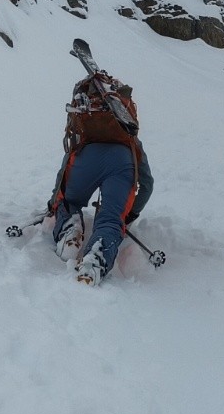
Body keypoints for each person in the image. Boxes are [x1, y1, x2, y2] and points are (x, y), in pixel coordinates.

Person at [48, 70, 153, 285]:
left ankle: (70, 226)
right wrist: (128, 216)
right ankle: (96, 256)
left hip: (85, 158)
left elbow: (64, 172)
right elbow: (147, 184)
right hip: (123, 161)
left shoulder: (86, 130)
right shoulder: (131, 138)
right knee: (111, 218)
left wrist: (54, 203)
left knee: (69, 202)